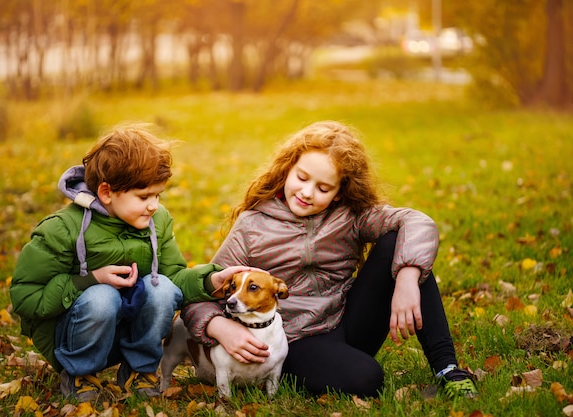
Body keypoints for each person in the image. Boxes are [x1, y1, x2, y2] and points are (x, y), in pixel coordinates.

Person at [181, 120, 478, 399]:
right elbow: (202, 293)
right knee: (367, 380)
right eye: (301, 178)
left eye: (323, 188)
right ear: (288, 168)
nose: (307, 193)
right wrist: (219, 327)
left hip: (348, 320)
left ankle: (448, 370)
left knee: (396, 245)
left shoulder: (350, 216)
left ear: (338, 193)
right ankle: (292, 372)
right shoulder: (252, 226)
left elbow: (418, 222)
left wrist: (407, 278)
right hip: (293, 340)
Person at [10, 124, 251, 401]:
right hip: (73, 337)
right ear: (106, 192)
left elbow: (173, 277)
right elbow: (26, 297)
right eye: (144, 196)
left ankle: (139, 370)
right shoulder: (62, 230)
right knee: (101, 297)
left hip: (124, 330)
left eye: (158, 195)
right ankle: (79, 375)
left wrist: (210, 280)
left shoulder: (156, 220)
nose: (153, 205)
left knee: (162, 290)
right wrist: (91, 279)